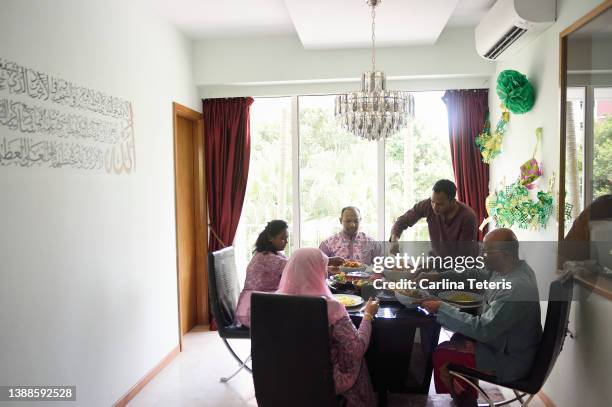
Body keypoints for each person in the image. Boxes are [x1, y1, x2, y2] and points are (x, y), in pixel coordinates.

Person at [416, 228, 542, 407]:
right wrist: (437, 276)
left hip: (511, 360)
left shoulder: (516, 288)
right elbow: (472, 275)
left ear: (503, 254)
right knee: (459, 339)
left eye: (486, 251)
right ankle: (466, 397)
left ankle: (464, 401)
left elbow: (483, 330)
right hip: (505, 346)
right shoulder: (508, 269)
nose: (481, 255)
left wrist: (441, 308)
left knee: (443, 354)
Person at [277, 248, 379, 407]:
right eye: (323, 266)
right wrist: (368, 315)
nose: (326, 272)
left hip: (284, 377)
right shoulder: (331, 307)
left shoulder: (274, 303)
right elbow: (357, 348)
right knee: (357, 357)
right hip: (324, 380)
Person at [389, 179, 478, 259]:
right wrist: (394, 239)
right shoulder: (428, 205)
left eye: (440, 204)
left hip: (463, 267)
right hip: (437, 260)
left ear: (453, 202)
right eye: (432, 201)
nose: (434, 207)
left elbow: (461, 256)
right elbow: (403, 220)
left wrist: (432, 271)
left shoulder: (468, 217)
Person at [234, 220, 289, 327]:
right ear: (270, 237)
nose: (286, 242)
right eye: (282, 238)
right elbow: (294, 266)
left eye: (287, 238)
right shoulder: (265, 257)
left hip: (259, 302)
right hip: (252, 309)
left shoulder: (273, 254)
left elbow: (291, 263)